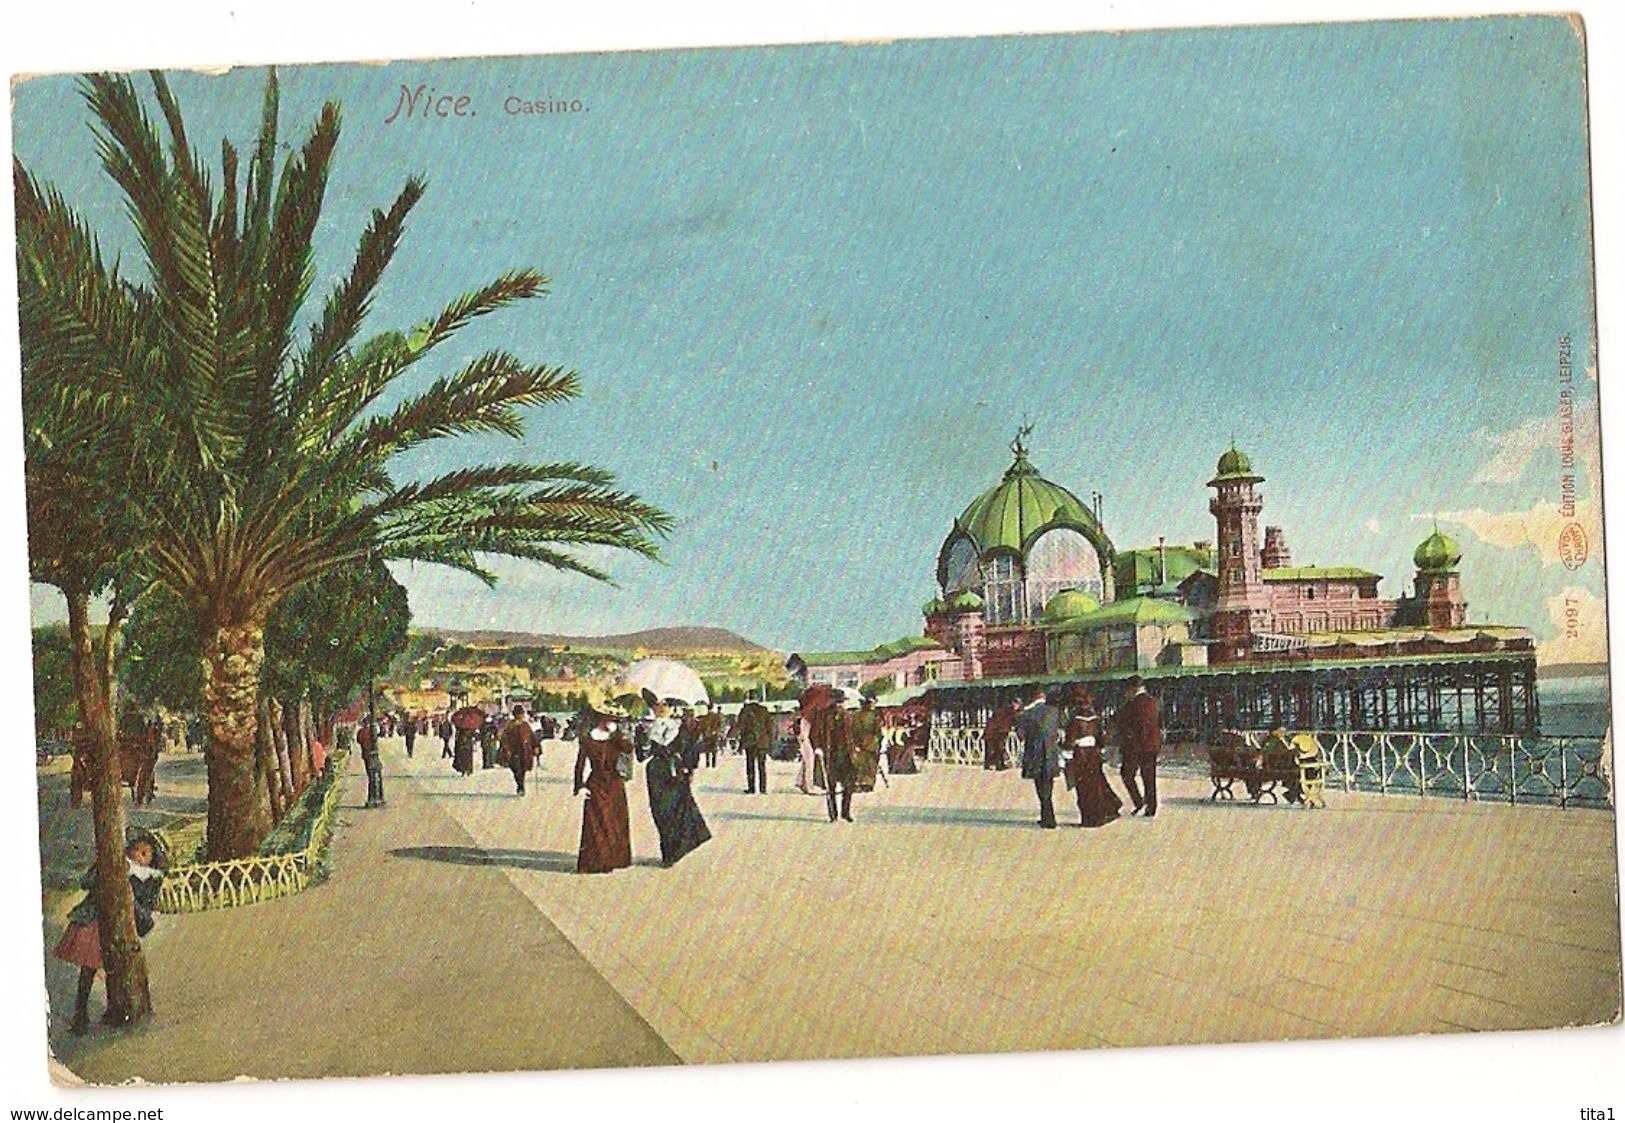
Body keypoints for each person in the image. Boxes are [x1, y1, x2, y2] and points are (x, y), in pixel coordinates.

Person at [55, 828, 166, 1035]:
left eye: (146, 853)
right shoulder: (114, 863)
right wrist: (108, 871)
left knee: (116, 970)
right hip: (96, 922)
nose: (139, 856)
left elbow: (145, 912)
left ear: (152, 859)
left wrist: (129, 899)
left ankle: (116, 1008)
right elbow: (86, 882)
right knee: (88, 969)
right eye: (136, 850)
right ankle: (81, 1015)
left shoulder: (150, 879)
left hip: (122, 927)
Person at [643, 694, 712, 866]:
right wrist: (645, 741)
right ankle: (667, 850)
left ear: (671, 707)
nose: (660, 708)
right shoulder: (645, 728)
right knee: (660, 812)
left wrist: (690, 769)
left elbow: (691, 749)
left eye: (665, 704)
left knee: (677, 810)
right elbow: (640, 755)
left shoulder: (680, 727)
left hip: (676, 771)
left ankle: (672, 853)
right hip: (656, 773)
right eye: (657, 705)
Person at [573, 704, 634, 873]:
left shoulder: (616, 738)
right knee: (597, 823)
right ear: (600, 719)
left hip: (615, 783)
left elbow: (629, 749)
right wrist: (580, 786)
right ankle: (598, 861)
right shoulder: (587, 739)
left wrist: (617, 734)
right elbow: (580, 764)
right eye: (609, 719)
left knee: (615, 822)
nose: (612, 721)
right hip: (596, 783)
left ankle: (615, 858)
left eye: (614, 719)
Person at [1063, 687, 1121, 828]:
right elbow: (1101, 739)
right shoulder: (1095, 719)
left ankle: (1089, 818)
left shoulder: (1075, 720)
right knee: (1096, 786)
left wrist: (1066, 755)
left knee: (1083, 788)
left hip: (1080, 755)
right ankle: (1100, 814)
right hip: (1093, 754)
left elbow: (1070, 740)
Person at [1115, 676, 1163, 817]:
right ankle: (1151, 806)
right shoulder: (1154, 702)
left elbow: (1133, 726)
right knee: (1149, 777)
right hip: (1151, 745)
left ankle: (1139, 802)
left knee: (1127, 774)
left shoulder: (1133, 704)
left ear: (1132, 688)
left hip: (1135, 746)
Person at [1017, 687, 1063, 829]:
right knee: (1048, 784)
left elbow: (1020, 735)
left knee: (1040, 785)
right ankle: (1048, 816)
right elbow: (1059, 732)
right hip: (1050, 752)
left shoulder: (1027, 713)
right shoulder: (1055, 711)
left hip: (1035, 753)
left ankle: (1047, 816)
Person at [811, 703, 855, 823]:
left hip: (847, 755)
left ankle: (845, 812)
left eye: (841, 702)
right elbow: (814, 734)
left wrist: (856, 748)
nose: (839, 705)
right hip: (830, 755)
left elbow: (855, 734)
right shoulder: (823, 717)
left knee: (848, 786)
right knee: (830, 786)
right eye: (837, 702)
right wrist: (817, 747)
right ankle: (833, 814)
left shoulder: (848, 716)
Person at [735, 700, 773, 794]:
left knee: (750, 765)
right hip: (762, 741)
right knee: (762, 766)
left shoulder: (745, 710)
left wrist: (741, 743)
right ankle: (763, 789)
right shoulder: (764, 710)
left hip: (750, 741)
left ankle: (751, 788)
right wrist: (769, 741)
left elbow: (741, 727)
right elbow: (769, 727)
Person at [848, 695, 883, 795]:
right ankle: (867, 783)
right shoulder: (874, 716)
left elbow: (853, 731)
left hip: (860, 744)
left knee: (860, 765)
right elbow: (878, 732)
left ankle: (859, 783)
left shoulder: (855, 716)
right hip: (870, 743)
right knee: (869, 765)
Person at [501, 705, 539, 795]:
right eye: (518, 714)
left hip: (525, 750)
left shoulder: (525, 725)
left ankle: (521, 786)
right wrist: (506, 749)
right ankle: (520, 785)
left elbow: (532, 736)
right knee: (516, 768)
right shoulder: (510, 725)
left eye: (521, 714)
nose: (520, 716)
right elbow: (504, 738)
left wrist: (536, 746)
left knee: (523, 768)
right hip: (514, 750)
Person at [982, 698, 1021, 771]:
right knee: (998, 748)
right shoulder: (1009, 711)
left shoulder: (1003, 710)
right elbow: (1013, 721)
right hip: (997, 732)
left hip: (991, 731)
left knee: (992, 748)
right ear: (1014, 703)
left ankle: (990, 764)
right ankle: (998, 765)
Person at [359, 714, 386, 807]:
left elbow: (360, 740)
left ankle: (376, 796)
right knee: (374, 776)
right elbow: (380, 735)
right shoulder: (368, 731)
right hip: (370, 755)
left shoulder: (363, 731)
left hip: (368, 755)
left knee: (373, 776)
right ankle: (377, 797)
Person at [795, 709, 818, 794]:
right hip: (805, 740)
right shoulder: (807, 719)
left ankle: (800, 781)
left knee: (806, 762)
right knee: (810, 763)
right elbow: (803, 734)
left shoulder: (806, 718)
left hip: (805, 740)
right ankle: (809, 786)